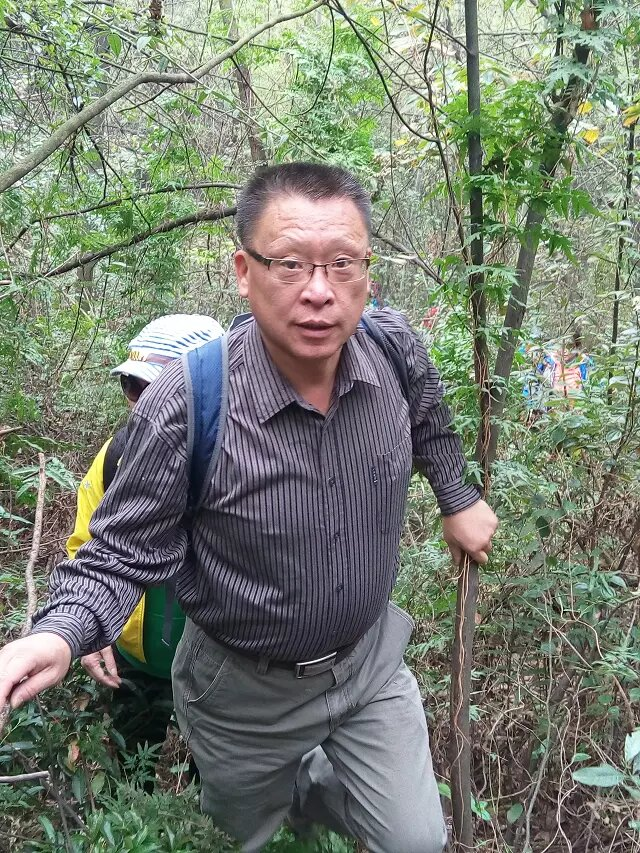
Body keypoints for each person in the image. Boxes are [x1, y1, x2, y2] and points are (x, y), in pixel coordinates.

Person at [0, 162, 498, 853]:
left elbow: (430, 419)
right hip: (241, 693)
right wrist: (59, 633)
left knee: (415, 840)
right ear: (244, 270)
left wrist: (457, 496)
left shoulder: (392, 349)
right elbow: (118, 552)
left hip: (368, 664)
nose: (319, 290)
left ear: (367, 272)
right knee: (240, 835)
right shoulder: (189, 403)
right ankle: (293, 784)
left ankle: (312, 779)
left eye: (342, 264)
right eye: (289, 264)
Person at [66, 314, 224, 757]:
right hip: (134, 656)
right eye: (131, 387)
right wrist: (91, 630)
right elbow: (85, 546)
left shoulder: (251, 466)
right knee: (132, 757)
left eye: (156, 390)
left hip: (221, 664)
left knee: (218, 777)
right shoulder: (115, 457)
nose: (140, 405)